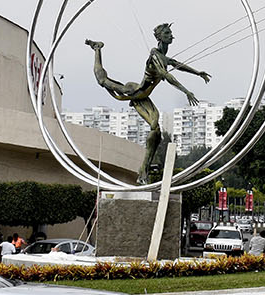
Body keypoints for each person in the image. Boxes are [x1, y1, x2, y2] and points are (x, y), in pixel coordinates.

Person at [86, 23, 210, 182]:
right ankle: (97, 48)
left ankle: (143, 172)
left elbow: (178, 65)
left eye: (171, 32)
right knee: (103, 81)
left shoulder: (164, 57)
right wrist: (186, 91)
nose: (171, 35)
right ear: (159, 37)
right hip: (135, 92)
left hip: (144, 97)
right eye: (167, 33)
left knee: (155, 129)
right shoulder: (155, 54)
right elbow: (166, 75)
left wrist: (198, 73)